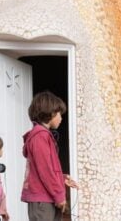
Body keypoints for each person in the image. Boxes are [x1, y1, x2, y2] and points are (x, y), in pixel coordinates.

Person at [22, 91, 78, 221]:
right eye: (59, 114)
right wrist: (59, 195)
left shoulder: (43, 135)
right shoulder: (40, 136)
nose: (61, 118)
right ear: (51, 113)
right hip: (43, 200)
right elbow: (45, 170)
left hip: (47, 198)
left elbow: (46, 168)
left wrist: (61, 178)